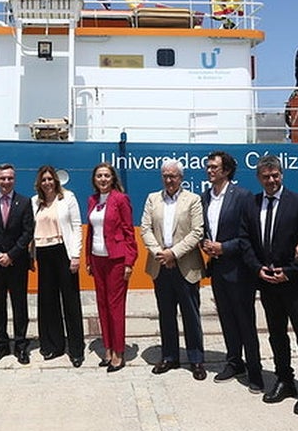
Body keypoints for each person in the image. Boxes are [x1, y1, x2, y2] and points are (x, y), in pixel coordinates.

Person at [244, 156, 298, 414]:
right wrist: (257, 269)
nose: (271, 180)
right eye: (266, 176)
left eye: (275, 175)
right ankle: (284, 380)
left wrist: (289, 271)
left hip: (294, 283)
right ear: (259, 178)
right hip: (267, 283)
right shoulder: (252, 204)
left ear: (282, 175)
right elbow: (246, 241)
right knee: (276, 334)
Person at [199, 150, 262, 392]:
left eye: (214, 166)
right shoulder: (205, 197)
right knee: (226, 319)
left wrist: (224, 247)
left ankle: (255, 373)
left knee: (245, 321)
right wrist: (206, 244)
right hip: (217, 269)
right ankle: (234, 362)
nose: (209, 170)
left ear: (226, 171)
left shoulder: (243, 197)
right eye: (208, 165)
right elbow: (205, 229)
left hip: (239, 270)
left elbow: (250, 237)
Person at [139, 159, 206, 381]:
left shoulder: (193, 200)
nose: (169, 180)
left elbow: (197, 232)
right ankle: (170, 357)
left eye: (173, 176)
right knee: (166, 314)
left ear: (181, 177)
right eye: (166, 176)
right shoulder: (152, 199)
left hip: (185, 265)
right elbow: (145, 229)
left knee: (191, 315)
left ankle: (196, 359)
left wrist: (173, 253)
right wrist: (161, 253)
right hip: (160, 265)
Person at [0, 163, 35, 365]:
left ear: (14, 180)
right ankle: (1, 344)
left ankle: (20, 345)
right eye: (2, 178)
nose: (6, 182)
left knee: (20, 305)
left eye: (10, 178)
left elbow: (28, 232)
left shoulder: (25, 202)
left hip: (17, 263)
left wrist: (10, 255)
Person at [31, 165, 85, 367]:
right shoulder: (35, 202)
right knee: (48, 302)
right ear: (39, 182)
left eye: (50, 179)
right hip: (43, 253)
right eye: (43, 180)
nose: (47, 183)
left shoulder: (68, 198)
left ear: (56, 180)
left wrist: (76, 255)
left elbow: (77, 227)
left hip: (63, 251)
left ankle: (76, 349)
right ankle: (54, 345)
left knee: (70, 301)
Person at [84, 162, 136, 372]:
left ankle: (119, 352)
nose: (103, 179)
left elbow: (129, 232)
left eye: (106, 175)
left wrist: (129, 262)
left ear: (113, 178)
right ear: (94, 180)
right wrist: (88, 259)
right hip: (98, 259)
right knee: (102, 305)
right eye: (99, 176)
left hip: (116, 259)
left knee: (116, 307)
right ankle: (107, 347)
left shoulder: (120, 199)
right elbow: (92, 232)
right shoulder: (92, 200)